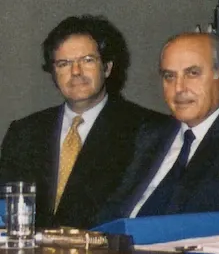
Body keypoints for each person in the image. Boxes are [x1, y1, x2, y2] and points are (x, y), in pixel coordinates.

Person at [0, 17, 160, 229]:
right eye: (64, 64)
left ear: (107, 68)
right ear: (53, 74)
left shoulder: (144, 129)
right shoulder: (24, 132)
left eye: (87, 60)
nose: (76, 72)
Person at [96, 33, 219, 221]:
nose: (178, 88)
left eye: (192, 73)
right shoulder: (150, 134)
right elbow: (113, 208)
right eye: (169, 76)